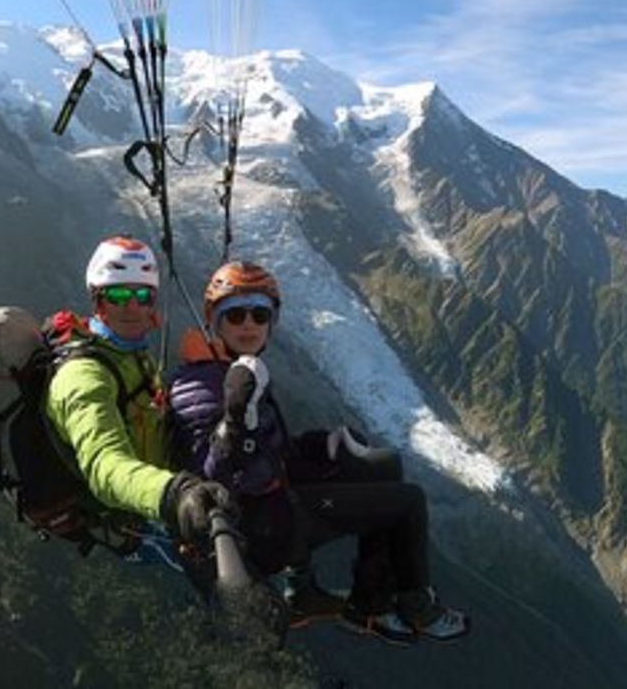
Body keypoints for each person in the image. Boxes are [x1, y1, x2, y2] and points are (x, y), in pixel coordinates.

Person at [168, 260, 470, 644]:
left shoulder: (230, 367)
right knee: (408, 502)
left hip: (273, 501)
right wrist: (234, 424)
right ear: (215, 320)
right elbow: (218, 478)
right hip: (259, 526)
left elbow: (269, 445)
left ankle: (356, 598)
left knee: (382, 464)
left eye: (260, 314)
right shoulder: (205, 383)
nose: (248, 324)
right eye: (235, 314)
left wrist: (319, 447)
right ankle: (413, 607)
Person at [45, 235, 236, 555]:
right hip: (137, 524)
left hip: (169, 494)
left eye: (143, 295)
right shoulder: (83, 376)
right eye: (118, 294)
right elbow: (106, 468)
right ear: (98, 300)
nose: (132, 307)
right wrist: (174, 495)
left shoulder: (129, 353)